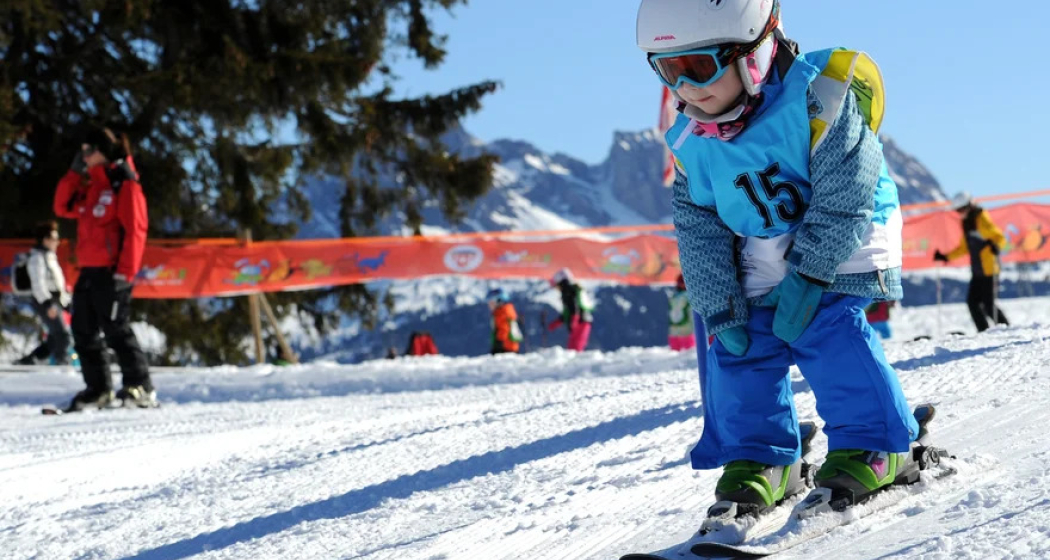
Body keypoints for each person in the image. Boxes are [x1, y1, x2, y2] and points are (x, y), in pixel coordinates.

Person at [637, 0, 925, 512]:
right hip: (765, 238)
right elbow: (699, 230)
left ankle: (878, 443)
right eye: (669, 70)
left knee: (826, 328)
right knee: (741, 345)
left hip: (846, 233)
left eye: (699, 66)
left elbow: (846, 195)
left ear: (754, 54)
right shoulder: (690, 141)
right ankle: (762, 455)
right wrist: (719, 304)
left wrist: (810, 276)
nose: (686, 87)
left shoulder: (821, 100)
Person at [53, 125, 155, 410]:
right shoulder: (90, 187)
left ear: (102, 151)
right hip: (88, 270)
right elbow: (62, 207)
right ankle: (98, 389)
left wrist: (125, 272)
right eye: (81, 152)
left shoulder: (124, 184)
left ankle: (140, 386)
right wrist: (74, 173)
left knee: (116, 329)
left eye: (88, 151)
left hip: (113, 272)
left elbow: (135, 230)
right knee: (83, 331)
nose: (84, 156)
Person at [933, 192, 1009, 332]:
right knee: (972, 303)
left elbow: (999, 237)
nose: (960, 213)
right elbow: (964, 247)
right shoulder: (966, 223)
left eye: (961, 209)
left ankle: (1007, 329)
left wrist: (996, 246)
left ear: (969, 206)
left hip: (989, 268)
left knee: (988, 304)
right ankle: (984, 331)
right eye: (958, 210)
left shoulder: (981, 218)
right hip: (977, 269)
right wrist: (946, 257)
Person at [22, 221, 73, 364]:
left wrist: (65, 302)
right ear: (45, 240)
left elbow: (57, 284)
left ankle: (30, 360)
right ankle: (62, 363)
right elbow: (38, 284)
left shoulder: (50, 256)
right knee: (63, 336)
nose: (57, 242)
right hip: (46, 301)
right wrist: (47, 304)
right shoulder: (37, 258)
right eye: (54, 239)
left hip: (55, 301)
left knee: (54, 338)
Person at [547, 268, 593, 352]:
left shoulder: (568, 291)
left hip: (580, 323)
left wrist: (574, 320)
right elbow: (569, 310)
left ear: (561, 282)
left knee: (574, 349)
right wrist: (559, 321)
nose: (556, 288)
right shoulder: (573, 289)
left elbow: (573, 307)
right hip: (583, 322)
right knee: (574, 348)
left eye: (556, 285)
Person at [486, 287, 522, 354]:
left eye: (491, 302)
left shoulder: (502, 312)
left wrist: (498, 344)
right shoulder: (507, 310)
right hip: (510, 346)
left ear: (499, 301)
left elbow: (504, 328)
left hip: (505, 347)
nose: (489, 305)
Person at [668, 273, 696, 351]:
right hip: (685, 330)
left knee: (678, 352)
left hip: (676, 329)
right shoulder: (687, 296)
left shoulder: (674, 296)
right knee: (688, 351)